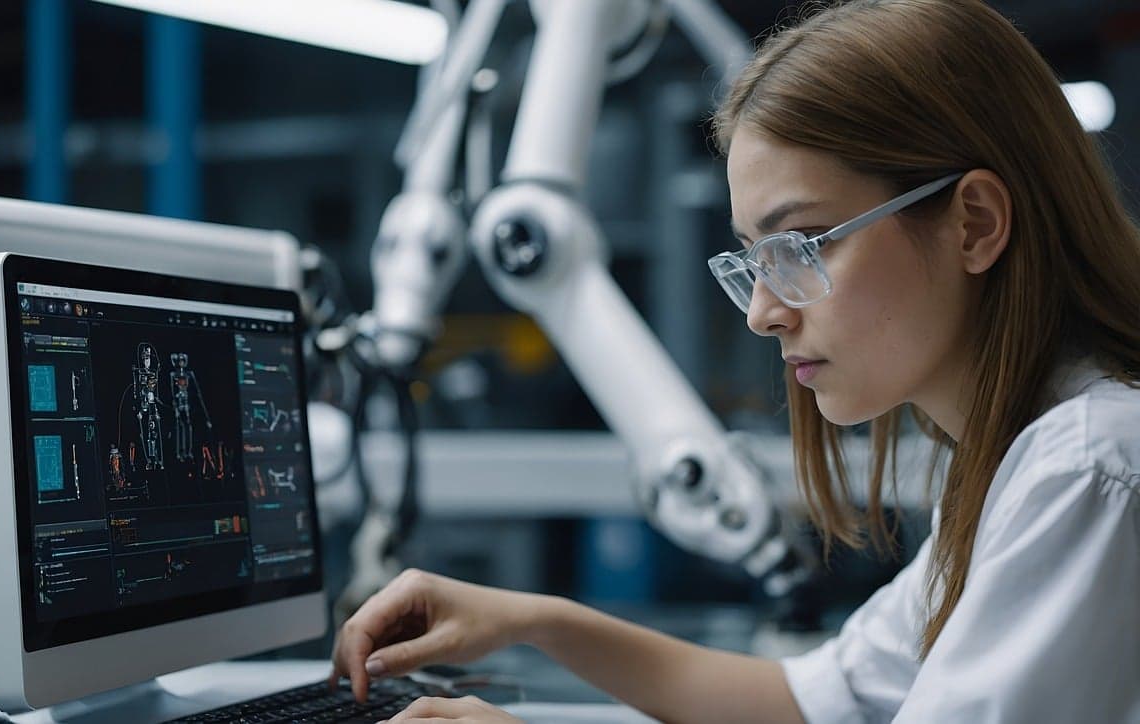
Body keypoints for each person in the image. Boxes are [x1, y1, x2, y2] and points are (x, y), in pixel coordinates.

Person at [330, 1, 1140, 721]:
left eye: (799, 246)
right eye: (754, 260)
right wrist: (538, 622)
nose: (763, 312)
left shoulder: (1087, 468)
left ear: (973, 224)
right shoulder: (1013, 465)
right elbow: (806, 700)